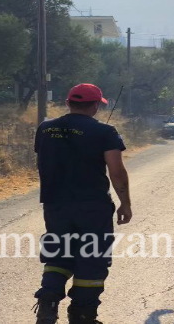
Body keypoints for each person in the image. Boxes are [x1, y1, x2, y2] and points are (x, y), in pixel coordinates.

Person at [33, 83, 133, 324]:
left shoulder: (45, 129)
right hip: (92, 206)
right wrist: (125, 203)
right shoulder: (105, 131)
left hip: (55, 205)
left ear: (68, 102)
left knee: (58, 254)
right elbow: (116, 171)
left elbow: (44, 161)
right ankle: (83, 315)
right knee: (92, 258)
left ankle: (48, 301)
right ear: (96, 106)